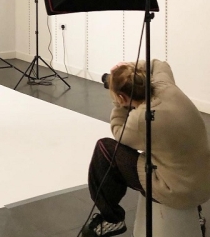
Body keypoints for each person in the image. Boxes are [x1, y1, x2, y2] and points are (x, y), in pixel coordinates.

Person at [83, 59, 210, 237]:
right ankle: (195, 216)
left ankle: (112, 220)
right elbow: (158, 63)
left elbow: (118, 132)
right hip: (203, 181)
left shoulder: (141, 119)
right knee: (177, 155)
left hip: (176, 191)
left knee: (104, 149)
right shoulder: (165, 85)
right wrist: (128, 67)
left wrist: (119, 104)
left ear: (122, 97)